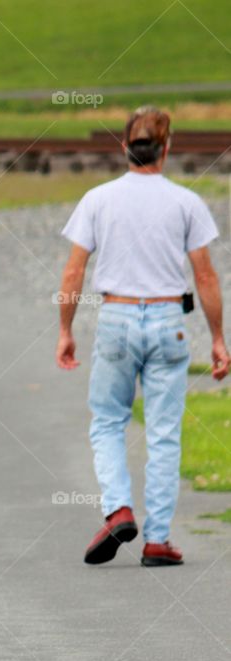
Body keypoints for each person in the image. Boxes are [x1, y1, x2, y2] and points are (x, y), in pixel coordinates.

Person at [56, 106, 229, 566]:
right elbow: (206, 277)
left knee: (109, 420)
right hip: (170, 323)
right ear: (167, 149)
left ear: (124, 147)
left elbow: (74, 271)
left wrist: (65, 330)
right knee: (165, 433)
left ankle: (117, 509)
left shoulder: (97, 199)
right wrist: (218, 340)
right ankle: (158, 540)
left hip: (116, 319)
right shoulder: (186, 203)